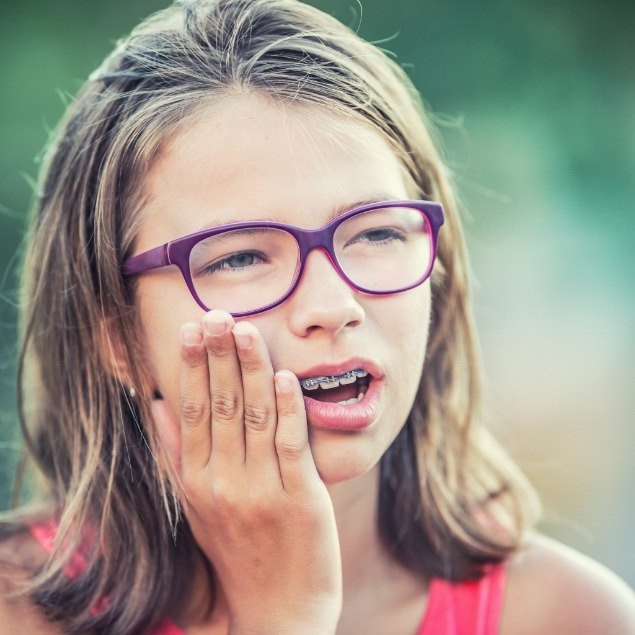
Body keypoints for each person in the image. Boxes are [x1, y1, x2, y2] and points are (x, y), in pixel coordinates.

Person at [0, 0, 633, 633]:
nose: (333, 307)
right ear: (118, 338)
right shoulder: (17, 607)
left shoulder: (572, 616)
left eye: (377, 234)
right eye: (243, 255)